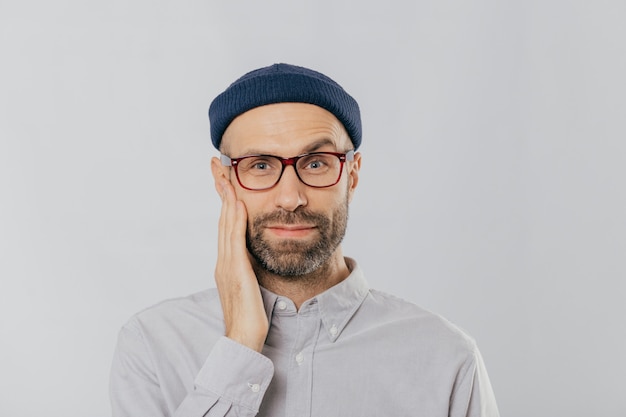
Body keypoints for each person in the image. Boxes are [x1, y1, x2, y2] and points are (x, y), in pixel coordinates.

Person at [109, 63, 500, 417]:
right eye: (260, 166)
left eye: (316, 163)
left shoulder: (446, 359)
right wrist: (241, 345)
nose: (291, 198)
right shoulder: (151, 347)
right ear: (223, 180)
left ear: (352, 175)